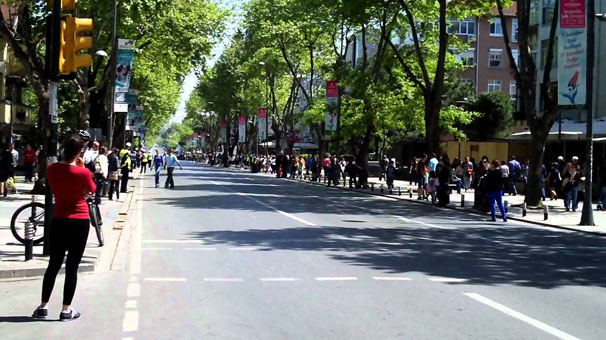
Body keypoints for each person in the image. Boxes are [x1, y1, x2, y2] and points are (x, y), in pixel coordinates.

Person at [32, 134, 96, 321]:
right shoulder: (82, 172)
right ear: (79, 152)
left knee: (53, 264)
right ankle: (66, 309)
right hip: (79, 219)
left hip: (58, 218)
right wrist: (81, 169)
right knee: (72, 266)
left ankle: (43, 306)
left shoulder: (52, 169)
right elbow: (91, 189)